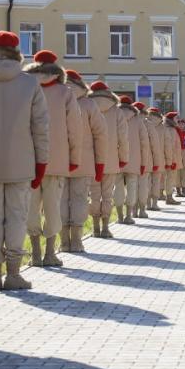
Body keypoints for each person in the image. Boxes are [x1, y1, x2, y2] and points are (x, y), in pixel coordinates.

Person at [0, 32, 48, 290]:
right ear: (17, 54)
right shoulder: (29, 84)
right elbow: (41, 127)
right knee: (17, 217)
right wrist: (41, 163)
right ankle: (14, 274)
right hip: (22, 162)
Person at [23, 51, 81, 265]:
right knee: (52, 206)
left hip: (28, 158)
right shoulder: (65, 92)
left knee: (30, 206)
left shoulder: (25, 88)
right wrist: (74, 158)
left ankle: (35, 252)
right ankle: (49, 253)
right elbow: (75, 129)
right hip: (56, 159)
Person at [62, 70, 107, 252]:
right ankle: (77, 241)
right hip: (84, 159)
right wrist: (100, 163)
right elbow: (100, 135)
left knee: (61, 200)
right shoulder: (89, 104)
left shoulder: (55, 98)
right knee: (80, 199)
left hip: (59, 160)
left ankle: (64, 242)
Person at [87, 81, 129, 238]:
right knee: (107, 194)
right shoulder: (117, 111)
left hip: (90, 159)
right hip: (110, 159)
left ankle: (95, 228)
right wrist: (123, 158)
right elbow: (123, 138)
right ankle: (105, 227)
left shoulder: (86, 106)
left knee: (93, 194)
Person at [116, 96, 150, 224]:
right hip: (134, 159)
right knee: (132, 187)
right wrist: (143, 163)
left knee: (117, 187)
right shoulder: (138, 120)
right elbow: (144, 143)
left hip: (117, 158)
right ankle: (128, 216)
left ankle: (119, 216)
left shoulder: (114, 116)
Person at [133, 101, 154, 218]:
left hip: (130, 159)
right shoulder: (147, 123)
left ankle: (133, 211)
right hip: (145, 158)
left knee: (132, 186)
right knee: (143, 186)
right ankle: (142, 210)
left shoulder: (128, 121)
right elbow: (153, 144)